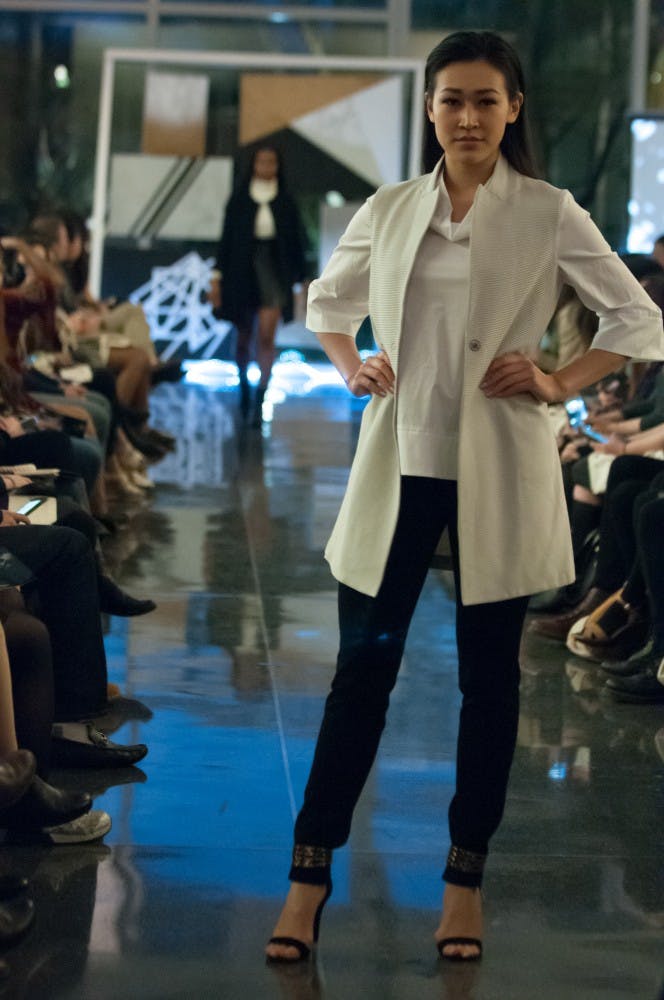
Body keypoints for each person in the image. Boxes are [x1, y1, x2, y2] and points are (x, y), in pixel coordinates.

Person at [265, 30, 664, 964]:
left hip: (498, 469)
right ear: (430, 109)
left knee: (489, 685)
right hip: (398, 468)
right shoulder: (393, 207)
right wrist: (352, 365)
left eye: (487, 100)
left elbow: (639, 319)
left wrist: (558, 380)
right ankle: (307, 878)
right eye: (452, 99)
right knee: (360, 676)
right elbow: (328, 303)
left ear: (513, 108)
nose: (469, 117)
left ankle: (463, 882)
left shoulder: (547, 211)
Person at [209, 146, 308, 425]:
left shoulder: (286, 201)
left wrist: (302, 278)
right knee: (243, 336)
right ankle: (243, 388)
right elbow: (227, 239)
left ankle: (260, 397)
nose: (266, 166)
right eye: (262, 161)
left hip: (274, 269)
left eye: (271, 161)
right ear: (253, 164)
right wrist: (216, 277)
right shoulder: (240, 199)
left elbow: (296, 242)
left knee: (266, 336)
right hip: (241, 271)